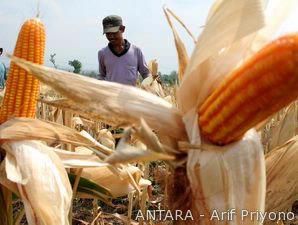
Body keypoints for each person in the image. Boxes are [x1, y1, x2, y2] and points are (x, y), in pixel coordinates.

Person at [98, 15, 150, 86]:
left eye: (114, 33)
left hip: (130, 96)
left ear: (122, 29)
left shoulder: (136, 51)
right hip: (110, 95)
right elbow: (102, 75)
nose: (111, 36)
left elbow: (145, 73)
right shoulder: (102, 53)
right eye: (108, 33)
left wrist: (152, 83)